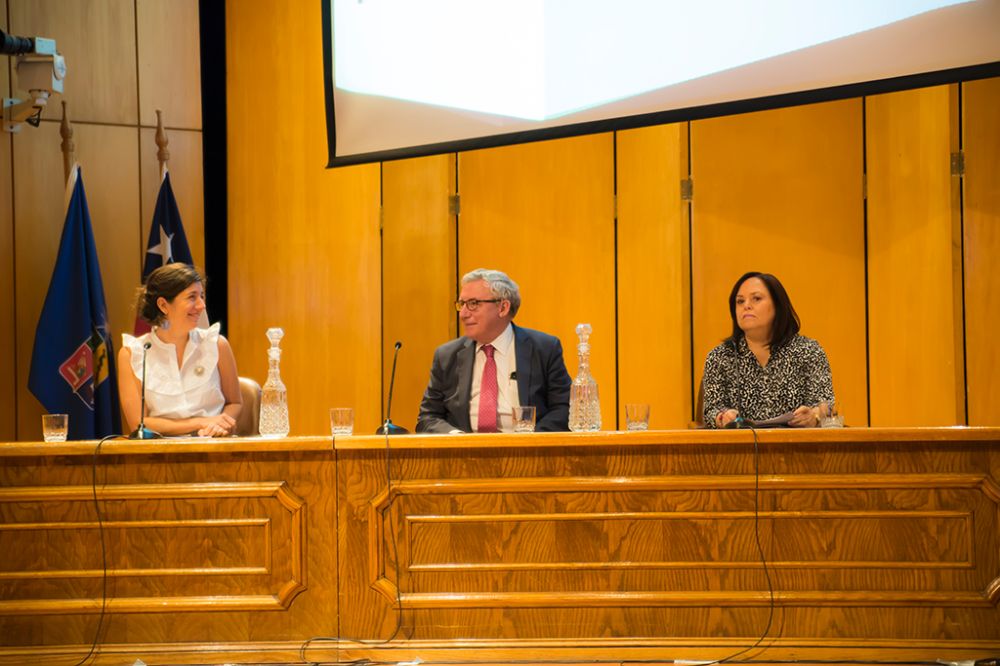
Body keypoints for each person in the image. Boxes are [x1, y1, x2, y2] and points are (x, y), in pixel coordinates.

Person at [417, 268, 571, 433]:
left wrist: (528, 442)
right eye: (462, 304)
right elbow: (428, 417)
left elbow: (564, 409)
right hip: (464, 454)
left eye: (473, 304)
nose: (463, 314)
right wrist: (458, 439)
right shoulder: (447, 356)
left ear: (503, 307)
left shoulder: (544, 348)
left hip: (526, 453)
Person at [118, 263, 242, 437]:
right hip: (159, 455)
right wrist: (201, 422)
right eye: (192, 297)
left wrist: (219, 424)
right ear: (163, 305)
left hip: (214, 445)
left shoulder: (217, 344)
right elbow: (139, 423)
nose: (201, 305)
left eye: (202, 296)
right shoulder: (133, 353)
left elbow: (235, 402)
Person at [703, 271, 834, 428]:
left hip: (798, 447)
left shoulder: (808, 351)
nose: (746, 306)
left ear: (777, 305)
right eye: (740, 301)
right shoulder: (720, 357)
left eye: (756, 299)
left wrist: (814, 416)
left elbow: (826, 404)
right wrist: (722, 417)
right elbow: (711, 410)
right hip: (739, 449)